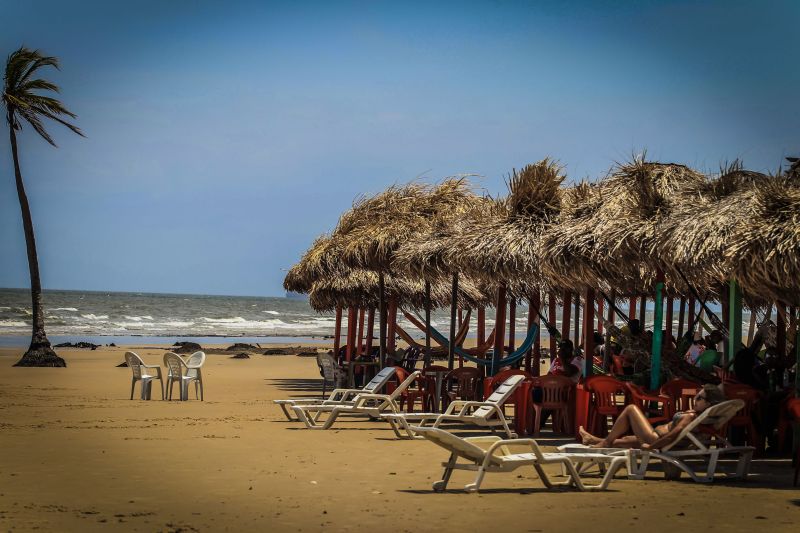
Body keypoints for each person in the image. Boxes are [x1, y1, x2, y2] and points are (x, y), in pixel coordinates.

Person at [579, 384, 726, 449]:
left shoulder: (691, 418)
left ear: (708, 404)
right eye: (696, 396)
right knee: (626, 440)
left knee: (631, 409)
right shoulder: (700, 416)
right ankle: (592, 439)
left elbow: (671, 437)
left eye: (699, 398)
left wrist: (651, 447)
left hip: (657, 440)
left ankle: (605, 442)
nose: (695, 399)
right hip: (658, 437)